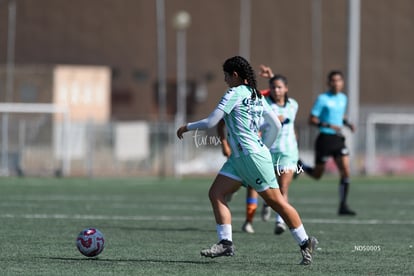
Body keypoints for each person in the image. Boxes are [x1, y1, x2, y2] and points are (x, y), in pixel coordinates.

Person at [177, 56, 318, 265]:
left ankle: (306, 242)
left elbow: (211, 121)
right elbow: (275, 126)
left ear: (235, 75)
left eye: (226, 75)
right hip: (240, 158)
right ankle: (225, 243)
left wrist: (186, 127)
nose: (225, 79)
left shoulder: (234, 93)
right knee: (216, 193)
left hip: (250, 157)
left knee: (276, 202)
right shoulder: (257, 96)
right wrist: (265, 148)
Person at [299, 70, 356, 216]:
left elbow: (339, 116)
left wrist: (347, 123)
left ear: (342, 83)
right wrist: (329, 125)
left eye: (339, 80)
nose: (336, 83)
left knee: (345, 170)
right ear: (329, 83)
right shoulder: (323, 99)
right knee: (318, 175)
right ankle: (301, 165)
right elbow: (312, 119)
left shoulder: (343, 98)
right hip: (324, 139)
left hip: (338, 139)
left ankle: (343, 205)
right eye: (333, 80)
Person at [258, 65, 300, 235]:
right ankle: (267, 203)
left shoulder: (293, 105)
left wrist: (274, 77)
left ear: (286, 88)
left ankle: (280, 221)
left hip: (288, 153)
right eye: (273, 87)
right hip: (269, 150)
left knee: (283, 187)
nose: (276, 90)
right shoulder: (265, 105)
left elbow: (284, 94)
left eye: (280, 87)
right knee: (271, 187)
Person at [217, 119, 260, 234]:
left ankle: (248, 222)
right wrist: (224, 144)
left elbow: (271, 128)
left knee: (253, 186)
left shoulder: (262, 107)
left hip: (253, 154)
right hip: (236, 155)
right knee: (217, 192)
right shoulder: (236, 105)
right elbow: (219, 124)